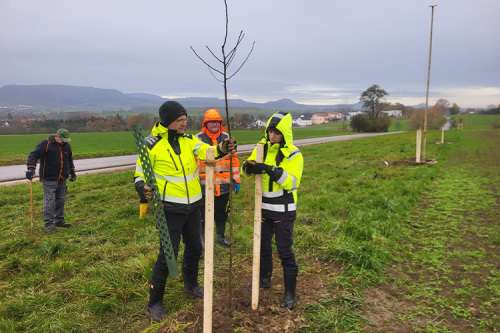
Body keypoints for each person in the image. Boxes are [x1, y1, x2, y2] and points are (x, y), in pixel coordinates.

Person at [134, 101, 236, 322]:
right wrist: (142, 188)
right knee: (168, 254)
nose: (184, 123)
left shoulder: (191, 141)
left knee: (195, 248)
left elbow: (206, 152)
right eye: (180, 120)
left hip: (194, 205)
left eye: (185, 119)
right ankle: (154, 303)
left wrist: (221, 149)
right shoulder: (150, 145)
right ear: (168, 121)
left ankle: (191, 285)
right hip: (169, 208)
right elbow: (140, 173)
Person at [242, 111, 303, 310]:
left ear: (284, 133)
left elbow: (292, 183)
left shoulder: (294, 154)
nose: (272, 136)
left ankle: (290, 294)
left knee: (284, 250)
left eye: (276, 132)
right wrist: (249, 168)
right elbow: (249, 165)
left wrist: (270, 170)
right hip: (263, 209)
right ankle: (264, 280)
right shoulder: (261, 148)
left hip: (283, 210)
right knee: (263, 246)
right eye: (270, 131)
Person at [195, 109, 241, 248]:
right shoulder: (197, 139)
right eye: (211, 122)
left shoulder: (228, 138)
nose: (214, 124)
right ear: (206, 124)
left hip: (224, 185)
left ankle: (221, 237)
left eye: (217, 122)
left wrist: (237, 180)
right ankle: (203, 240)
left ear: (220, 123)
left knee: (221, 213)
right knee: (202, 214)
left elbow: (235, 161)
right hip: (203, 185)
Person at [26, 128, 76, 233]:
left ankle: (59, 221)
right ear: (56, 136)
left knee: (61, 199)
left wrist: (72, 172)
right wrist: (31, 168)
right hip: (49, 178)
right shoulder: (46, 143)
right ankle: (48, 225)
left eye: (66, 140)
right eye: (62, 139)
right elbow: (33, 155)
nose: (64, 141)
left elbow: (69, 159)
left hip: (62, 177)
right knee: (50, 201)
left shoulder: (66, 145)